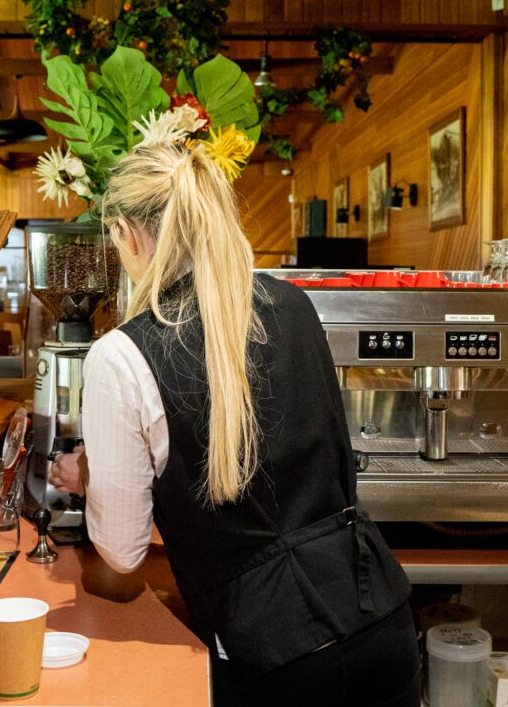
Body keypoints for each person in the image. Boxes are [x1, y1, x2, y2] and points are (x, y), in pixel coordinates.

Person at [49, 140, 421, 707]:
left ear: (126, 234)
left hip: (273, 663)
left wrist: (96, 478)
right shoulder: (295, 304)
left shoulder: (122, 355)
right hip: (383, 623)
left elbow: (122, 551)